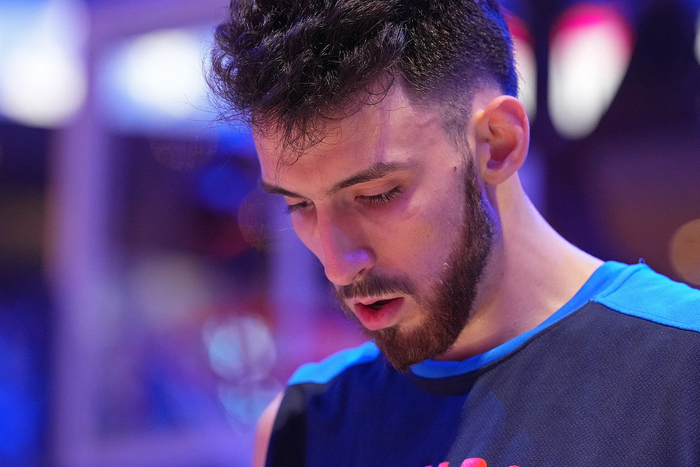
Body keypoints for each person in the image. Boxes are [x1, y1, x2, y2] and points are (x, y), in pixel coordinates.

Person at [209, 1, 700, 465]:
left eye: (377, 194)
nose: (338, 265)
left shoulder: (682, 367)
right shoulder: (304, 428)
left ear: (497, 144)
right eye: (299, 205)